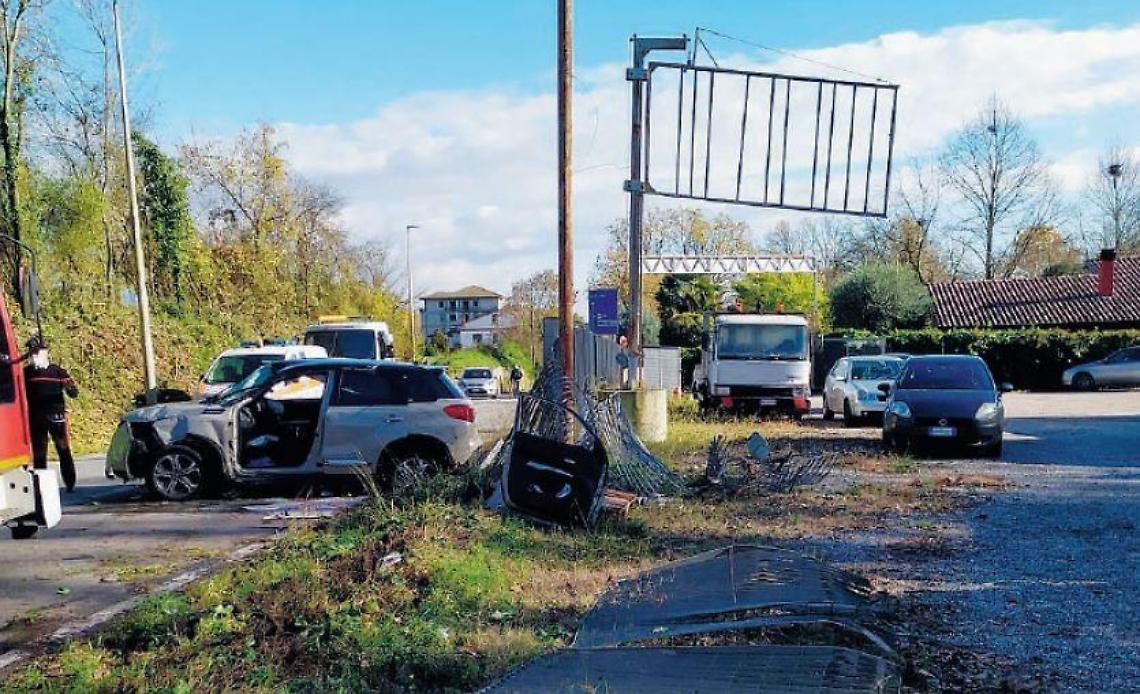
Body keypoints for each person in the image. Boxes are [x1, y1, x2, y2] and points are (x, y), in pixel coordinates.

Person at [23, 343, 79, 492]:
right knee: (39, 452)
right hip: (36, 417)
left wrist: (69, 387)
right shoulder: (26, 373)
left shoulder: (58, 372)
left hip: (57, 417)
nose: (34, 356)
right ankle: (41, 486)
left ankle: (70, 482)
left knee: (63, 449)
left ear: (45, 353)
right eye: (32, 353)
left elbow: (74, 393)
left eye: (37, 352)